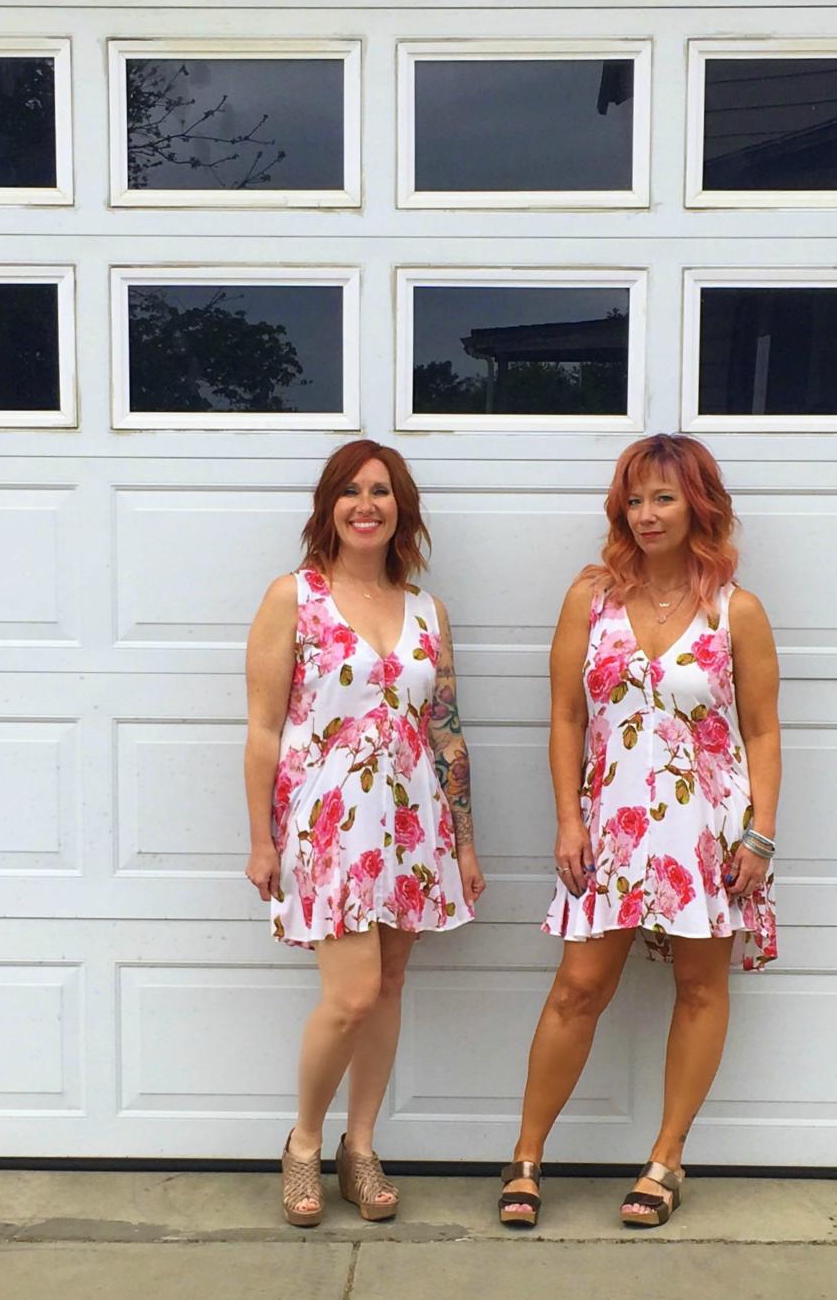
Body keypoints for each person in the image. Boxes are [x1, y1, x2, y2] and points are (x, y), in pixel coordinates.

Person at [497, 432, 780, 1231]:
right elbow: (564, 714)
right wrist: (566, 818)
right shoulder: (591, 596)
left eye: (664, 497)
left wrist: (759, 834)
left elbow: (761, 730)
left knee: (698, 988)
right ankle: (525, 1157)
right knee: (578, 989)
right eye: (634, 498)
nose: (647, 514)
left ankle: (665, 1159)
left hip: (707, 829)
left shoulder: (738, 611)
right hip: (611, 825)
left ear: (700, 504)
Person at [244, 439, 484, 1227]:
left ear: (400, 508)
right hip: (329, 822)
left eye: (381, 490)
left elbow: (446, 730)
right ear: (328, 507)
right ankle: (304, 1143)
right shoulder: (295, 597)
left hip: (416, 825)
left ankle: (362, 1144)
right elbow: (261, 729)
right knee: (349, 995)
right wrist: (261, 839)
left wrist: (466, 842)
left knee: (388, 988)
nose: (366, 504)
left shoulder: (427, 610)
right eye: (349, 491)